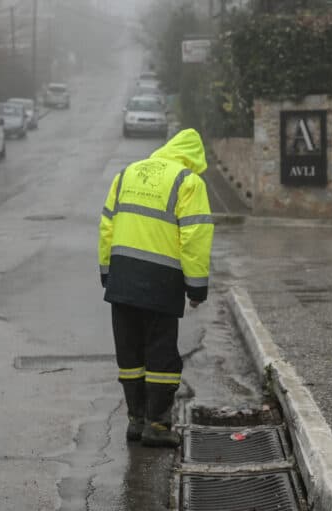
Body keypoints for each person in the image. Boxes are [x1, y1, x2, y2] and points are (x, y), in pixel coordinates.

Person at [98, 128, 214, 448]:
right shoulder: (188, 181)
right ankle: (158, 425)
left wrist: (107, 272)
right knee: (160, 355)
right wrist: (196, 287)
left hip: (122, 278)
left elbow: (107, 226)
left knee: (130, 352)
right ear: (192, 158)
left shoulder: (128, 173)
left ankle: (135, 420)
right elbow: (194, 237)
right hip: (160, 282)